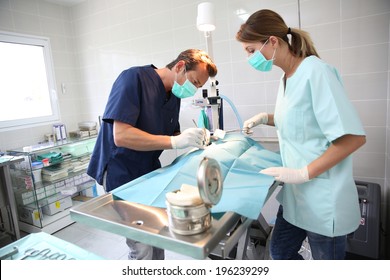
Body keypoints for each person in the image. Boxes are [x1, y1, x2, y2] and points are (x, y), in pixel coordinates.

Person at [236, 9, 366, 260]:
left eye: (251, 50)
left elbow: (352, 138)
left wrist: (302, 173)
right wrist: (265, 117)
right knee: (280, 252)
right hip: (296, 196)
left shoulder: (316, 72)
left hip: (322, 197)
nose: (250, 58)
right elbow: (301, 118)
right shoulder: (286, 77)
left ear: (272, 41)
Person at [87, 49, 217, 260]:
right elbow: (121, 135)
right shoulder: (133, 78)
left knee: (157, 236)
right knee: (142, 246)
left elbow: (169, 131)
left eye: (198, 86)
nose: (193, 90)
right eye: (194, 82)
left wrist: (192, 137)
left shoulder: (173, 95)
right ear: (180, 67)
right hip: (121, 171)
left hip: (148, 170)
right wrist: (175, 141)